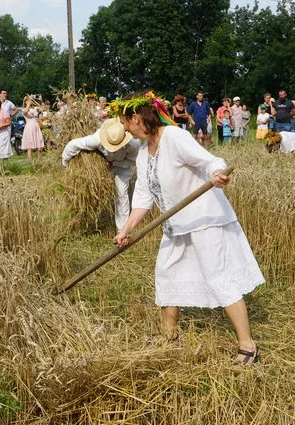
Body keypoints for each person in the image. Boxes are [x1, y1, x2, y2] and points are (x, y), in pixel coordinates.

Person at [111, 91, 264, 364]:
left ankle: (248, 346)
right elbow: (143, 200)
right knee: (166, 273)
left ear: (136, 118)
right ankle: (169, 336)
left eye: (124, 122)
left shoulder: (174, 137)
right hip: (176, 225)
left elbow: (209, 161)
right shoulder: (144, 155)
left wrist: (217, 174)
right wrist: (126, 229)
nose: (124, 128)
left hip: (205, 220)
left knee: (219, 278)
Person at [62, 118, 140, 232]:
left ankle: (122, 229)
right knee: (92, 188)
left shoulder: (133, 144)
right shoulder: (97, 139)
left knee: (121, 193)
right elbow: (72, 145)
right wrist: (66, 165)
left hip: (123, 166)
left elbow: (131, 162)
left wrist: (114, 163)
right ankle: (84, 218)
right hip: (105, 163)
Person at [21, 95, 44, 160]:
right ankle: (31, 163)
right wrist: (28, 104)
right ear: (25, 102)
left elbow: (42, 109)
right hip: (29, 128)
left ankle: (39, 161)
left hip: (36, 127)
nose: (30, 101)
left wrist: (40, 100)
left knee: (40, 146)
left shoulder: (35, 108)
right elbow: (25, 112)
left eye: (30, 100)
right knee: (30, 147)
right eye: (27, 100)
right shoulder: (24, 110)